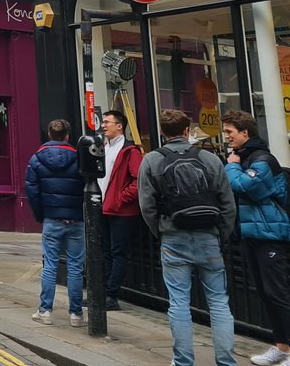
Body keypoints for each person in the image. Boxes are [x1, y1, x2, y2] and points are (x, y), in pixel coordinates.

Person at [138, 109, 236, 366]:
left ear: (162, 132)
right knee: (218, 302)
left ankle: (183, 361)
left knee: (179, 302)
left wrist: (161, 231)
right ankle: (226, 361)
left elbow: (146, 206)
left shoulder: (151, 160)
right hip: (209, 236)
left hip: (173, 236)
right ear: (186, 131)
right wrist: (221, 234)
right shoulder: (209, 158)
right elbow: (227, 203)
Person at [222, 110, 290, 366]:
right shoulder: (247, 158)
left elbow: (245, 187)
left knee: (278, 292)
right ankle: (281, 347)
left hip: (271, 234)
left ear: (245, 133)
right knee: (265, 292)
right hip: (253, 233)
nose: (226, 136)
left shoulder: (262, 159)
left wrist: (231, 166)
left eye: (230, 132)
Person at [25, 119, 85, 327]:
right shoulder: (79, 158)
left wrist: (41, 215)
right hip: (76, 219)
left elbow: (32, 191)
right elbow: (87, 186)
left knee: (49, 265)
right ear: (67, 136)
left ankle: (45, 311)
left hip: (52, 218)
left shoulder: (36, 159)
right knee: (76, 267)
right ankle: (76, 315)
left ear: (49, 135)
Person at [99, 109, 143, 311]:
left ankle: (111, 295)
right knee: (106, 252)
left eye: (107, 122)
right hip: (104, 209)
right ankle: (103, 294)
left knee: (118, 253)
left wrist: (119, 199)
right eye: (103, 122)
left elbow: (138, 181)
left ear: (119, 126)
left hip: (122, 211)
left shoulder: (130, 151)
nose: (103, 125)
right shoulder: (103, 148)